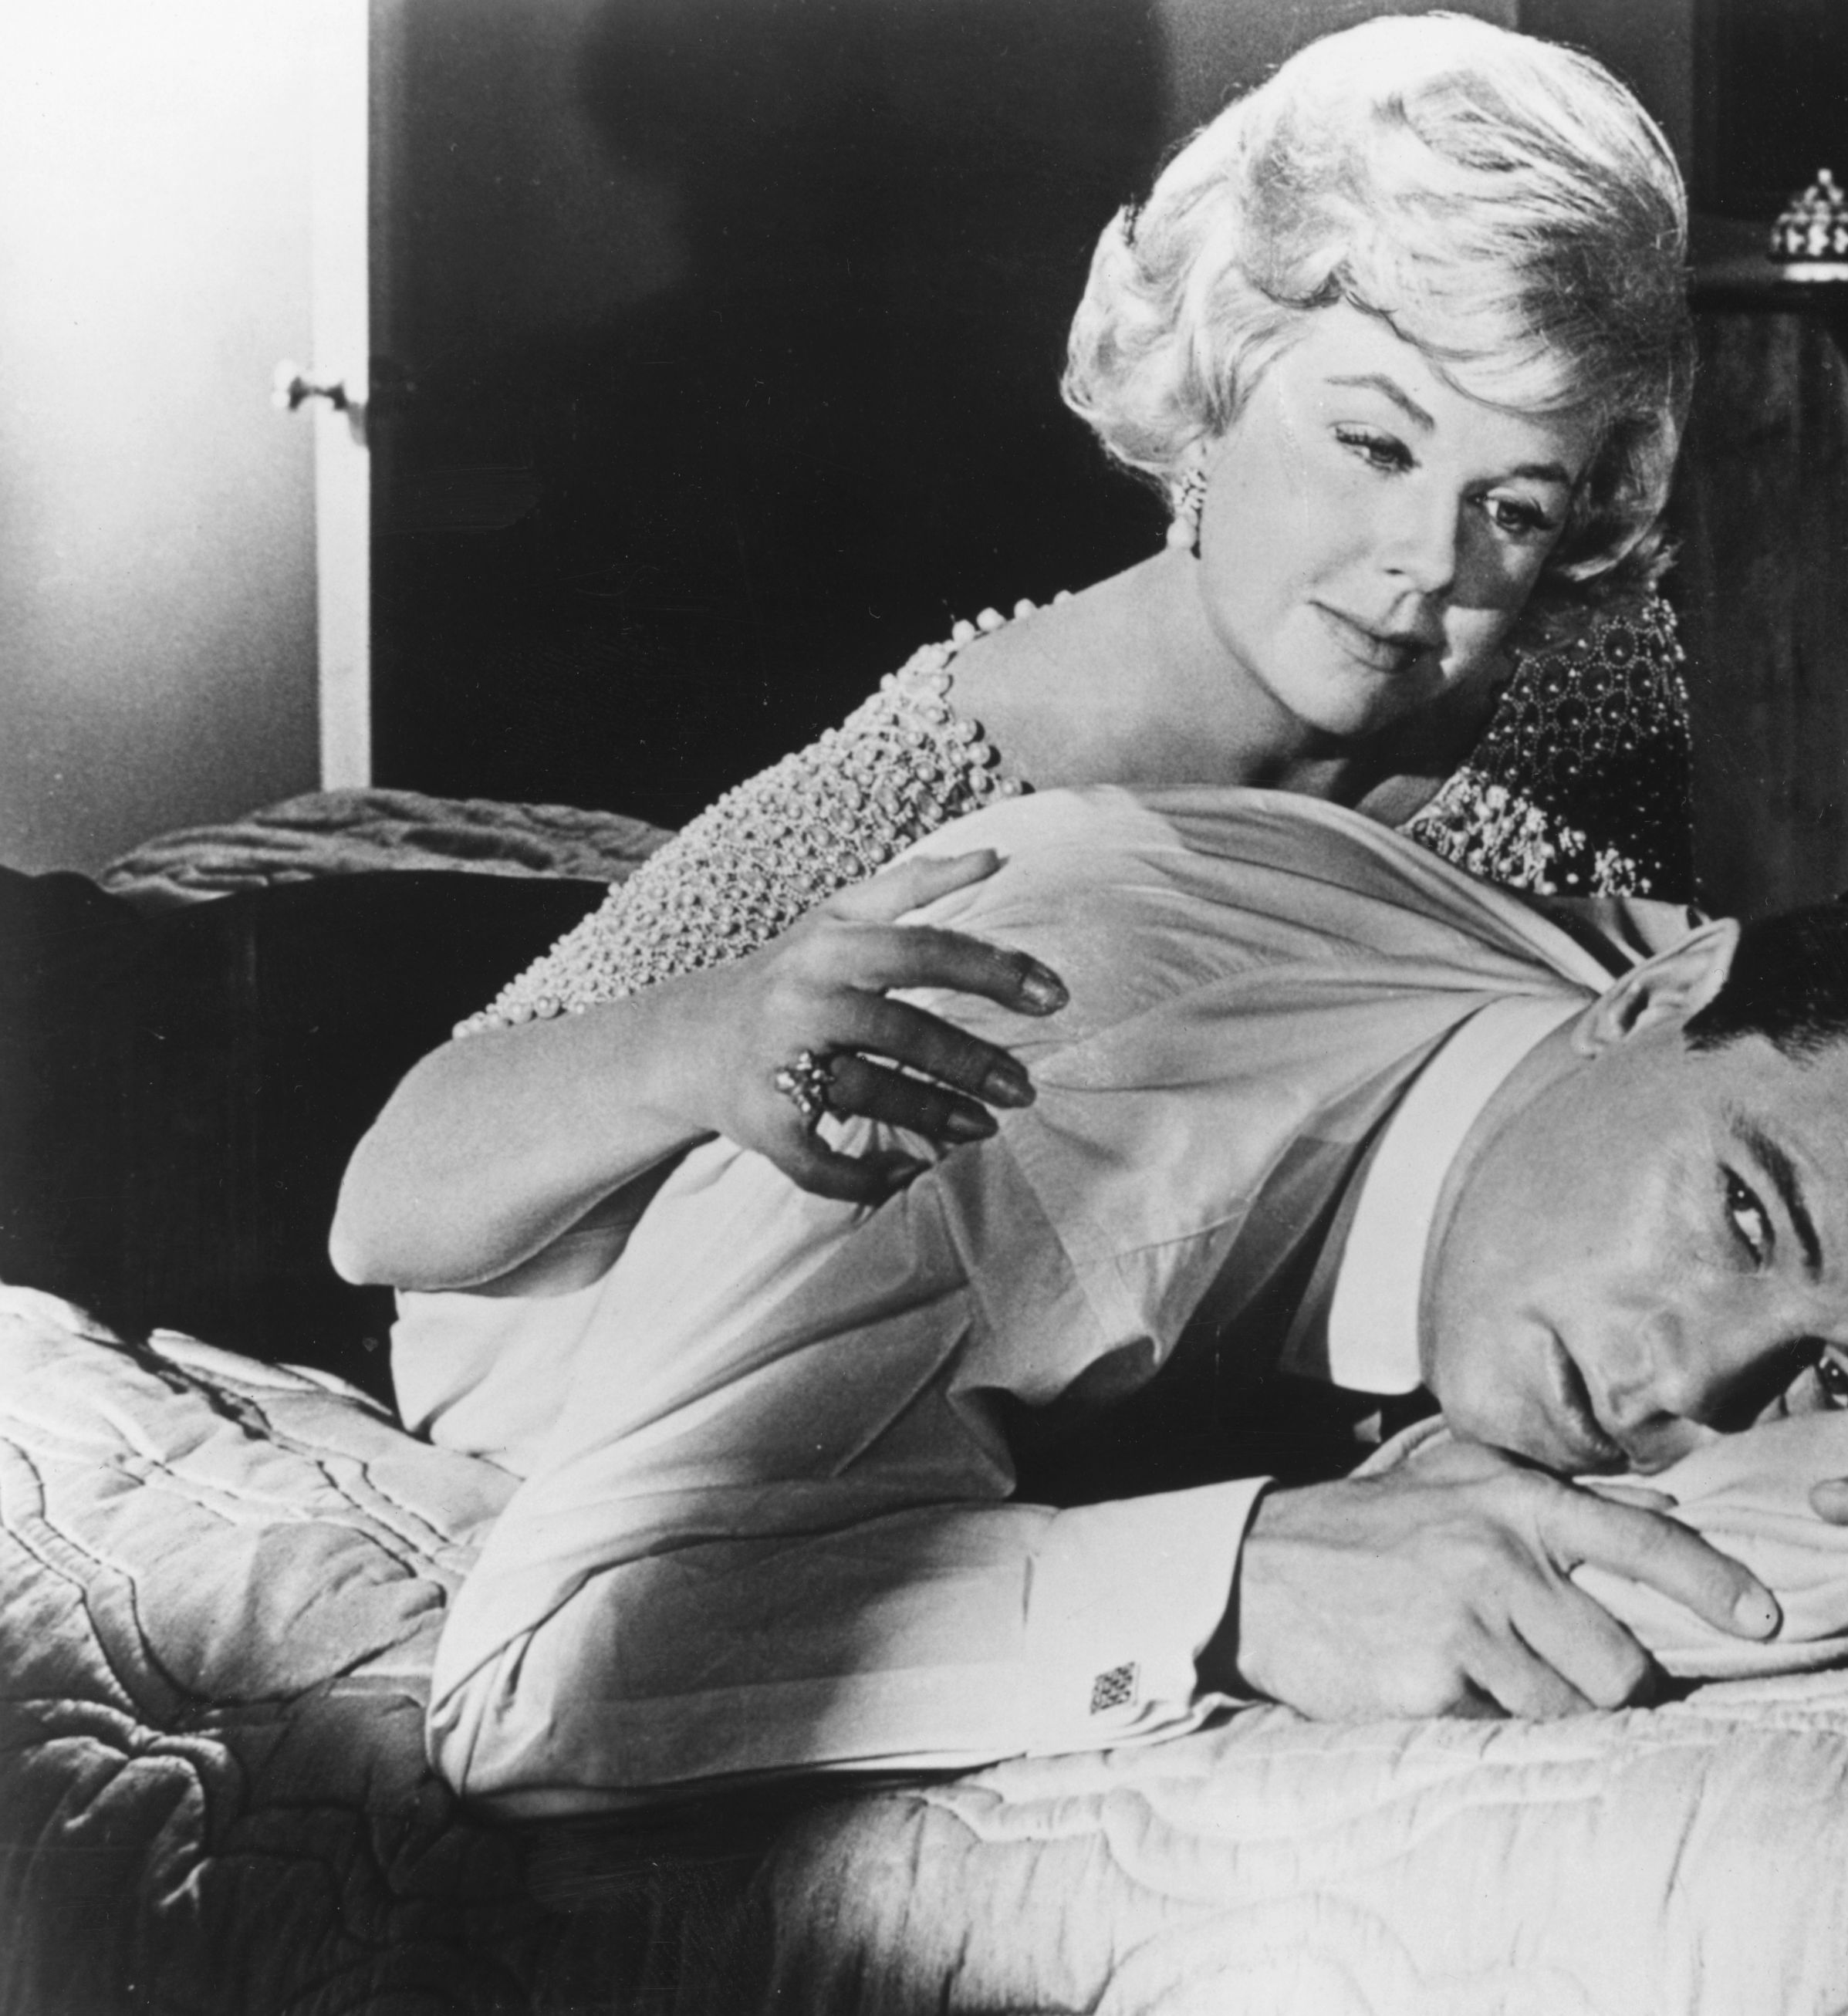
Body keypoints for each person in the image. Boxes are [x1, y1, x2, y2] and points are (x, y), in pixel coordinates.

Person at [385, 787, 1848, 1813]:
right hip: (526, 1228)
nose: (1687, 1386)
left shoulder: (1721, 1051)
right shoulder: (1012, 1091)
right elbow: (539, 1672)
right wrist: (1234, 1575)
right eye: (1738, 1214)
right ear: (1662, 992)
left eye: (1830, 1371)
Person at [331, 13, 1706, 1295]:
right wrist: (708, 1032)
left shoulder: (1594, 701)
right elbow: (385, 1205)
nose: (1428, 559)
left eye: (1511, 507)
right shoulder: (956, 770)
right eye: (1374, 444)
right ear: (1216, 375)